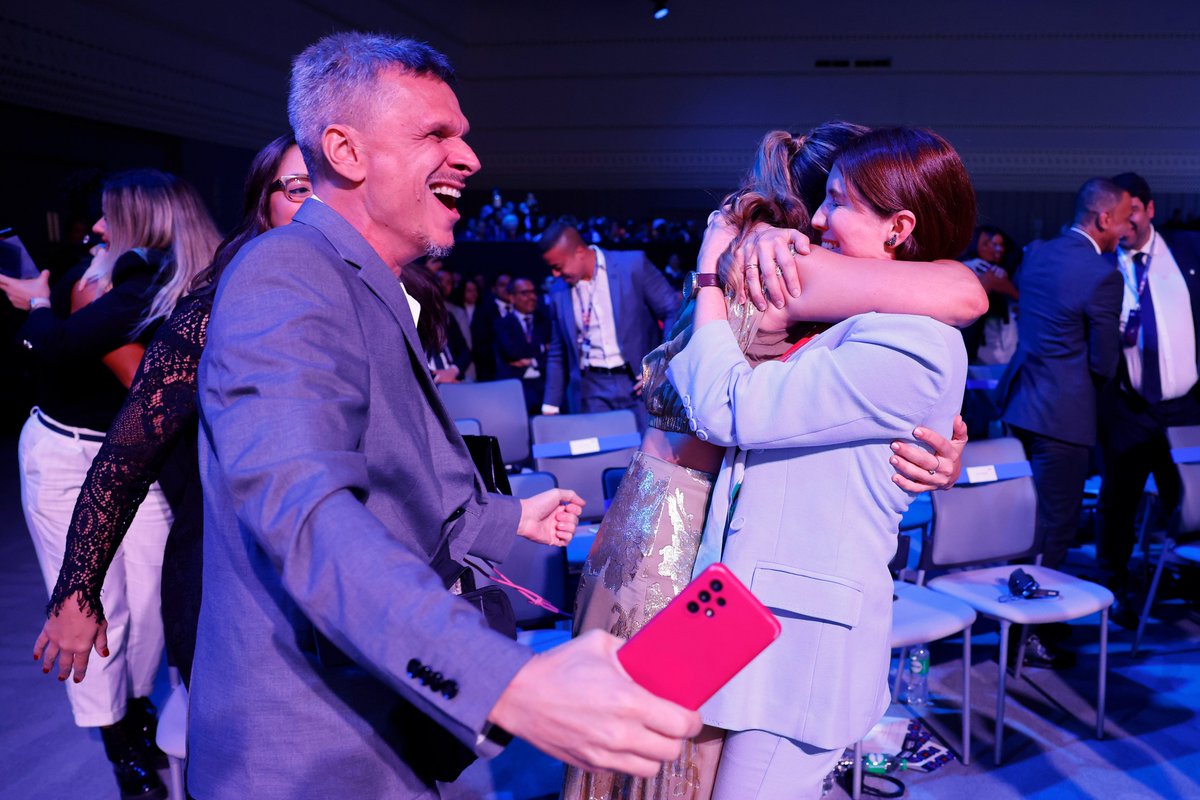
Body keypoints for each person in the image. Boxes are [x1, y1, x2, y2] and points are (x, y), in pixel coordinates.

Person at [188, 31, 700, 800]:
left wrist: (508, 520)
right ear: (347, 153)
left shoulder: (369, 284)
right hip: (312, 757)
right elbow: (307, 511)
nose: (470, 157)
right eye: (436, 133)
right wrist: (509, 683)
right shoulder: (286, 275)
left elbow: (398, 482)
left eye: (463, 135)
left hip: (381, 724)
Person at [563, 123, 985, 800]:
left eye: (841, 202)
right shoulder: (778, 265)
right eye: (825, 199)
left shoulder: (804, 280)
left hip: (713, 546)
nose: (819, 225)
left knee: (677, 767)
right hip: (686, 536)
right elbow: (961, 292)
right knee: (652, 756)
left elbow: (958, 297)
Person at [30, 135, 308, 694]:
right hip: (234, 553)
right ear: (264, 203)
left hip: (337, 561)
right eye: (300, 189)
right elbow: (127, 451)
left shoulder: (385, 296)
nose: (320, 206)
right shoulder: (216, 303)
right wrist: (76, 591)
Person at [0, 169, 220, 800]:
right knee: (97, 606)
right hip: (68, 458)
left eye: (108, 217)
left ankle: (130, 708)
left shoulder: (171, 281)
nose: (95, 228)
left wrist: (36, 302)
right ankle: (119, 739)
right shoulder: (104, 281)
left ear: (147, 223)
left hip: (134, 463)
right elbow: (59, 350)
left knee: (151, 601)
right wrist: (41, 305)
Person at [997, 177, 1129, 666]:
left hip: (1022, 403)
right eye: (1123, 218)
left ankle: (1015, 623)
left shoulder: (1038, 254)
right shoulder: (1102, 273)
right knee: (1056, 527)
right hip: (1063, 414)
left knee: (1026, 524)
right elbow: (1103, 363)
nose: (1126, 227)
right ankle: (1030, 635)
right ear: (1103, 219)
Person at [1097, 172, 1200, 624]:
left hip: (1188, 407)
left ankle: (1186, 579)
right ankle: (1115, 586)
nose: (1126, 222)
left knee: (1192, 500)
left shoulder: (1189, 252)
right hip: (1128, 407)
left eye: (1132, 211)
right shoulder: (1101, 262)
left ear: (1150, 209)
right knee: (1119, 501)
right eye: (1117, 214)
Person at [540, 220, 681, 429]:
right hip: (591, 389)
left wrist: (660, 366)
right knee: (600, 457)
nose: (555, 275)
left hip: (636, 382)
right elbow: (558, 351)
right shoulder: (559, 292)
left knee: (644, 455)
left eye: (557, 267)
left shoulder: (632, 265)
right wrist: (550, 406)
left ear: (579, 251)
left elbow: (673, 310)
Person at [962, 225, 1020, 365]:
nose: (998, 249)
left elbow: (1018, 296)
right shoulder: (965, 267)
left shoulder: (1008, 269)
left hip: (1003, 336)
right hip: (975, 339)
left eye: (1000, 245)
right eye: (990, 244)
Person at [495, 277, 552, 414]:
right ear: (512, 298)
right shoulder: (502, 324)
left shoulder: (546, 321)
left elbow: (555, 352)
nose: (532, 297)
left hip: (545, 382)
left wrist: (532, 360)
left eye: (533, 292)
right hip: (516, 384)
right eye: (525, 293)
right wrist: (542, 347)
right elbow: (511, 351)